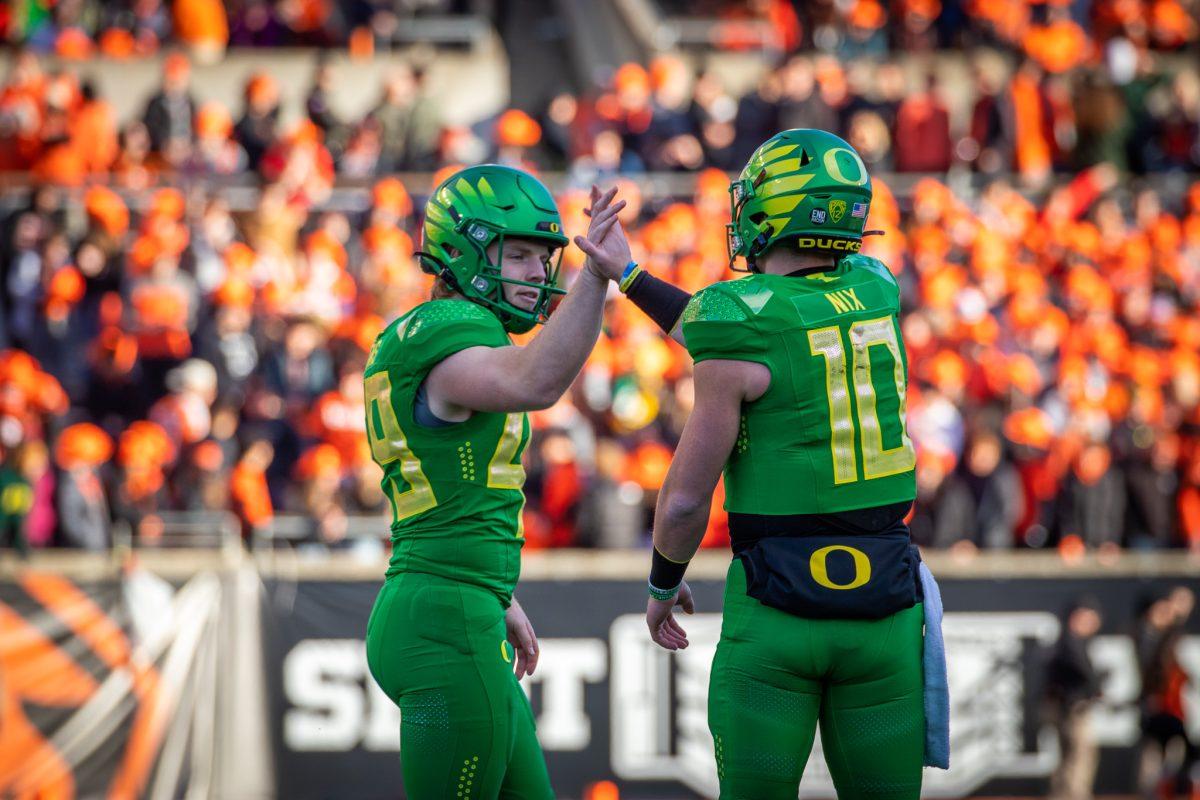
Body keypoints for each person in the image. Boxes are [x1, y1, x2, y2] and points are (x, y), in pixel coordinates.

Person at [613, 129, 944, 798]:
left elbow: (682, 500)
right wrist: (631, 277)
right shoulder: (877, 286)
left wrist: (660, 584)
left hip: (776, 607)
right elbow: (760, 329)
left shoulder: (736, 317)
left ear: (774, 208)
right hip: (886, 603)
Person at [362, 164, 630, 799]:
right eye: (523, 254)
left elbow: (452, 493)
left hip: (455, 601)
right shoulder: (451, 332)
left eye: (546, 256)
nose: (540, 272)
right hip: (445, 614)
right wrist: (597, 273)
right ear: (466, 248)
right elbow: (535, 382)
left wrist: (493, 591)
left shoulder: (431, 335)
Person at [1045, 597, 1105, 800]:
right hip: (1073, 709)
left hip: (1068, 708)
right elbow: (1083, 675)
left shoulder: (1072, 642)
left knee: (1070, 758)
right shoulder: (1069, 644)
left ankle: (1062, 795)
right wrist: (1096, 685)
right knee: (1080, 757)